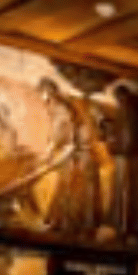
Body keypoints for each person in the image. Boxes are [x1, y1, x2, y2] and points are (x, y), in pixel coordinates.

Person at [38, 77, 101, 237]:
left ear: (48, 92)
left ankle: (66, 225)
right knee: (64, 187)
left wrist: (49, 151)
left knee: (67, 188)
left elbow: (59, 134)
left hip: (70, 153)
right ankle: (59, 222)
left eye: (42, 92)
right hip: (69, 152)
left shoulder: (60, 109)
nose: (41, 96)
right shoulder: (58, 107)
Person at [106, 83, 138, 243]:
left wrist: (113, 146)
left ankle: (129, 230)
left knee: (128, 196)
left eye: (116, 98)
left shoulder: (126, 107)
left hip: (129, 159)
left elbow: (127, 138)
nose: (116, 101)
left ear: (120, 96)